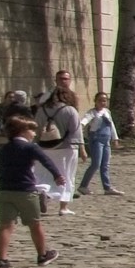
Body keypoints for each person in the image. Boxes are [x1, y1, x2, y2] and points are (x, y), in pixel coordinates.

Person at [0, 116, 63, 268]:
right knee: (35, 224)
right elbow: (46, 161)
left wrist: (2, 181)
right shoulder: (31, 147)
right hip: (25, 191)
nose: (34, 133)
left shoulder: (3, 149)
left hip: (4, 191)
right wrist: (57, 175)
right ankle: (42, 254)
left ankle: (2, 260)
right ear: (23, 131)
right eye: (31, 130)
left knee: (5, 226)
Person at [40, 81, 84, 212]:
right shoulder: (70, 110)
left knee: (46, 173)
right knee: (67, 174)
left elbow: (35, 128)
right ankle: (63, 207)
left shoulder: (42, 110)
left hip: (45, 146)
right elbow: (77, 131)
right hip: (67, 147)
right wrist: (82, 149)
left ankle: (44, 191)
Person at [81, 97, 120, 196]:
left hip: (106, 140)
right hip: (96, 140)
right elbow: (85, 120)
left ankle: (107, 187)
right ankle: (83, 186)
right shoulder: (92, 113)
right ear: (95, 102)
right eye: (100, 100)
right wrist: (80, 126)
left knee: (105, 165)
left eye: (104, 101)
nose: (102, 103)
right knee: (96, 164)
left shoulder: (107, 112)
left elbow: (111, 125)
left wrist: (115, 138)